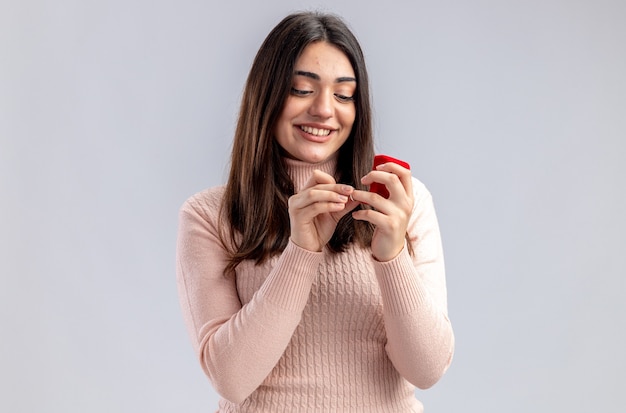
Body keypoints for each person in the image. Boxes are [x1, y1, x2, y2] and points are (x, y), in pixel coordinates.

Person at [176, 11, 454, 412]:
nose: (325, 110)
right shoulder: (210, 215)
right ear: (267, 95)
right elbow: (232, 378)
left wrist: (391, 257)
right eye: (302, 90)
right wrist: (301, 252)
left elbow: (426, 370)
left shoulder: (401, 203)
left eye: (344, 95)